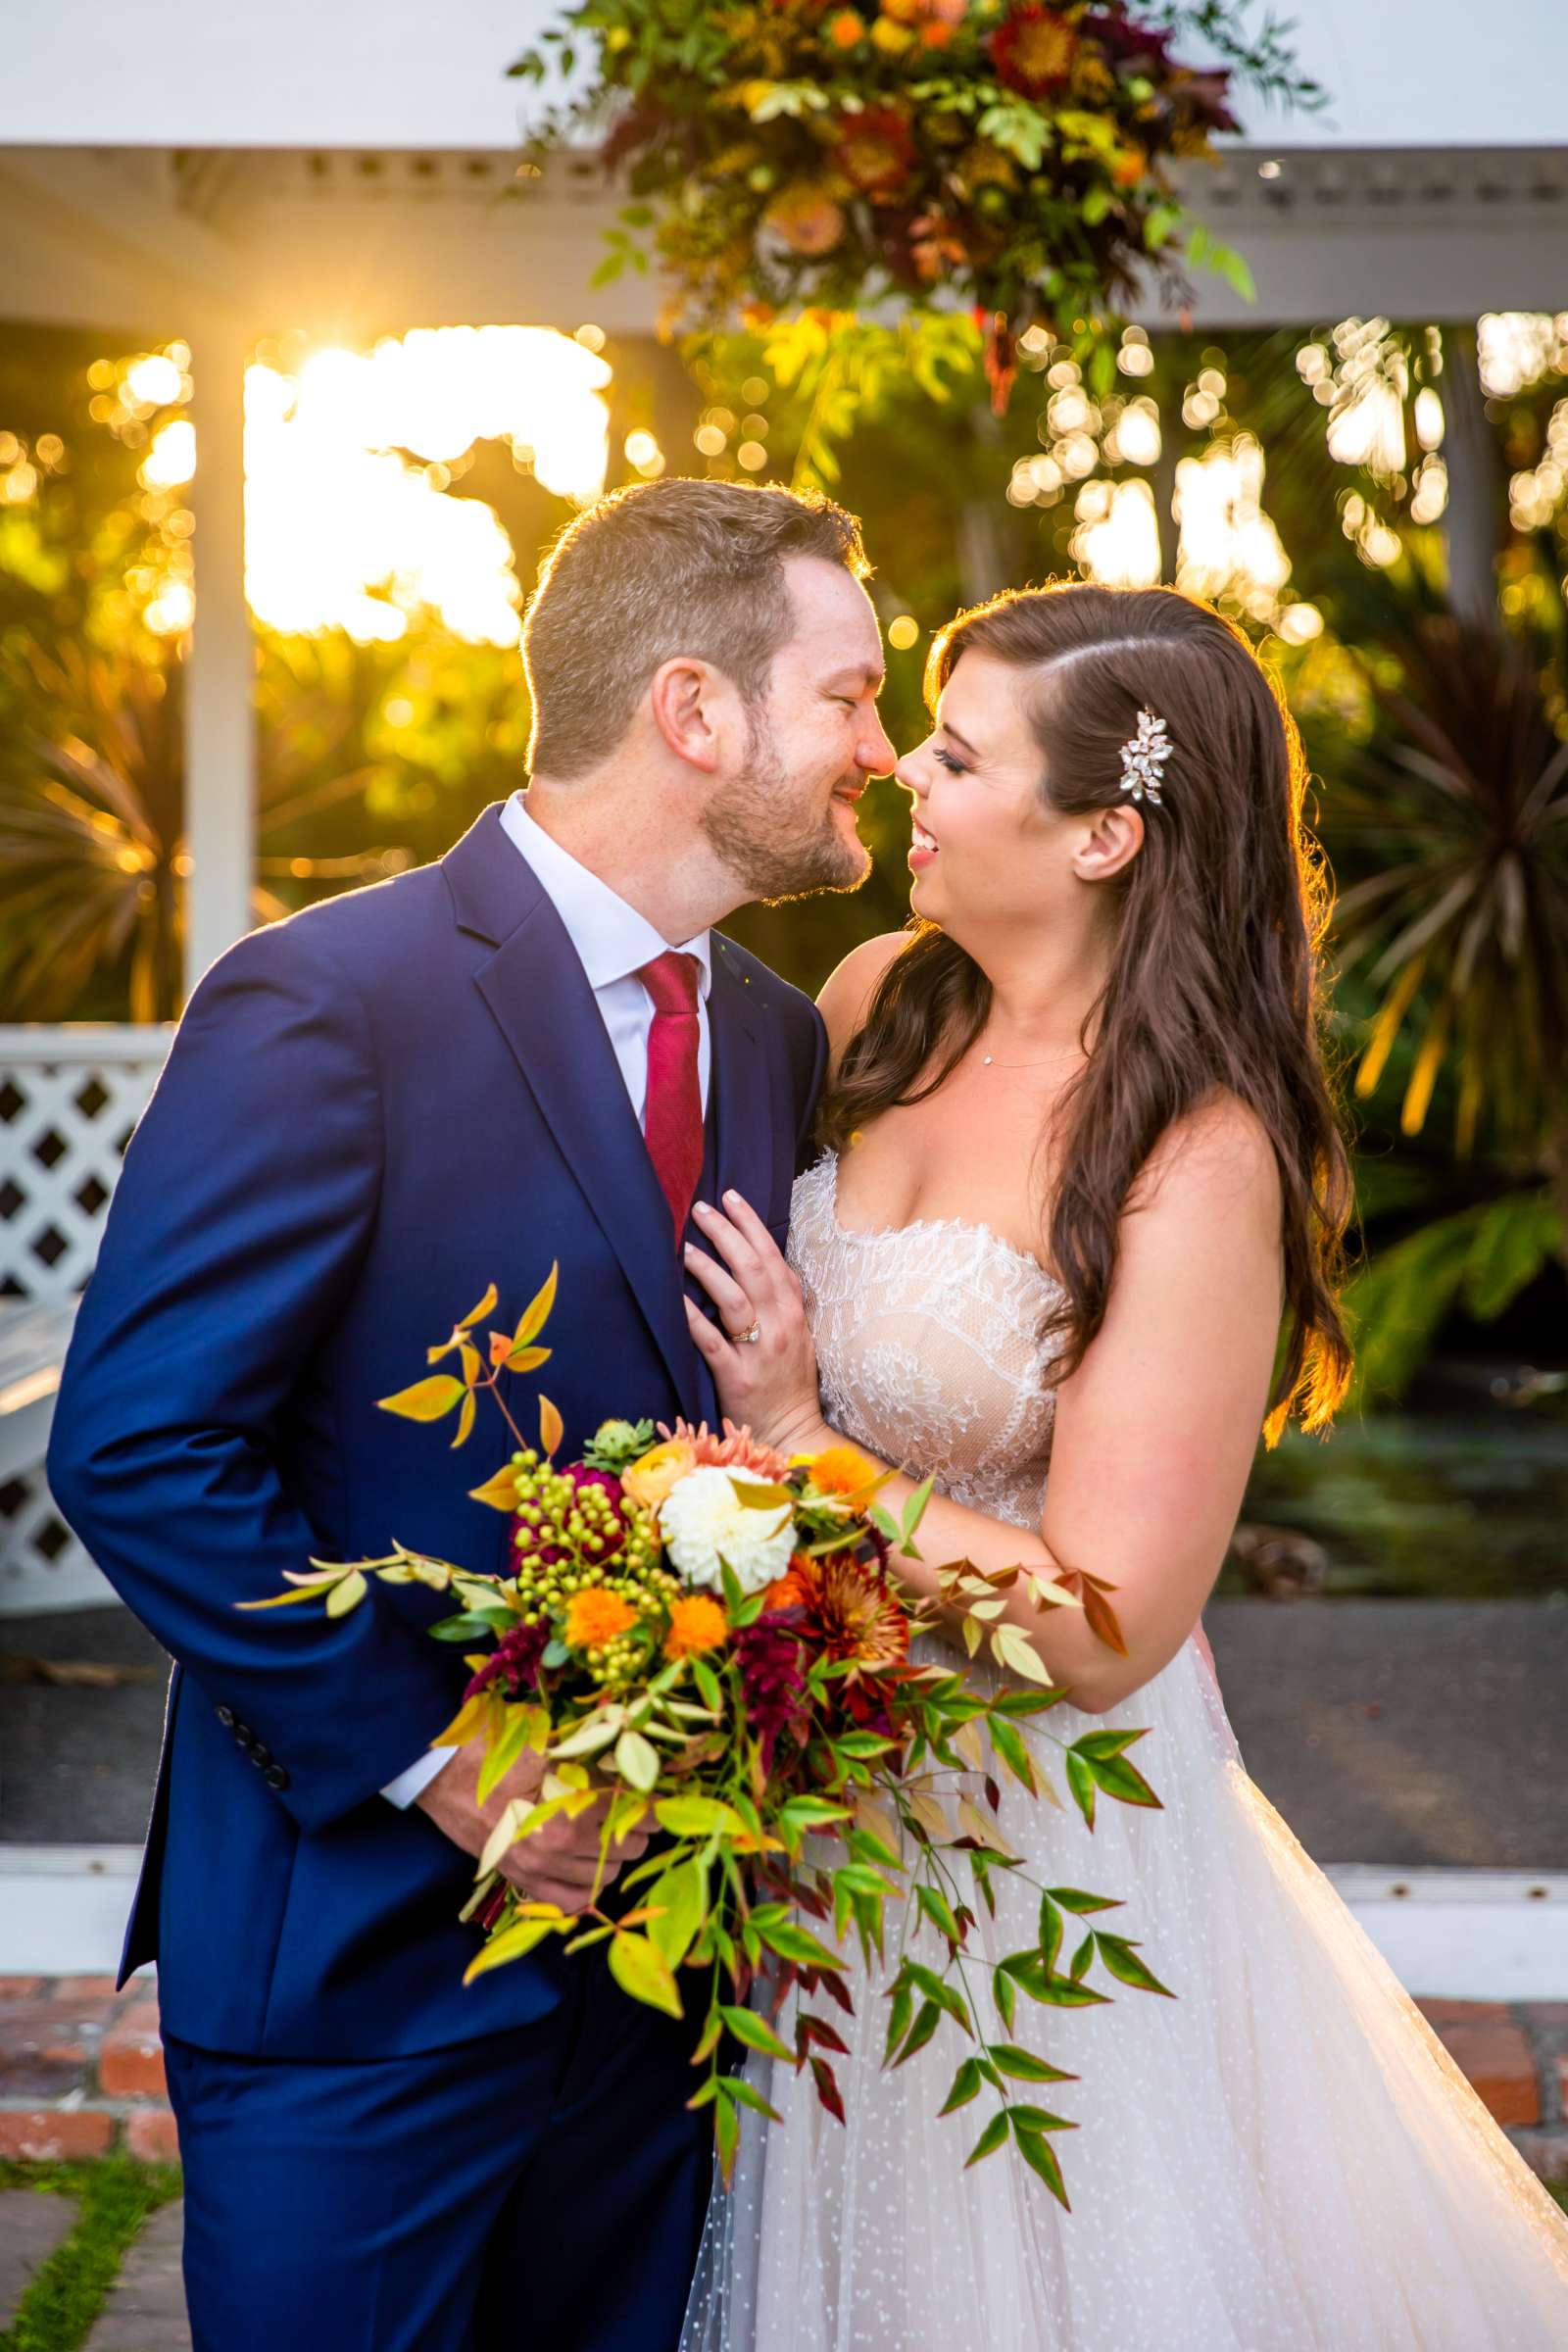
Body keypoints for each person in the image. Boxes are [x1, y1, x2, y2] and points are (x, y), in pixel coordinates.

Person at [46, 476, 897, 2352]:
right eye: (848, 697)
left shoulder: (766, 1035)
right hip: (363, 1971)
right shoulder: (326, 999)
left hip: (668, 1981)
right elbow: (142, 1446)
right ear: (695, 710)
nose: (882, 749)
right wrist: (445, 1763)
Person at [676, 581, 1568, 2349]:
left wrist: (799, 1444)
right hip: (821, 1792)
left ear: (1102, 830)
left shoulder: (1197, 1151)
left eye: (953, 750)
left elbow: (1100, 1625)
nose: (899, 777)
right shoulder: (878, 1003)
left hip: (1036, 1847)